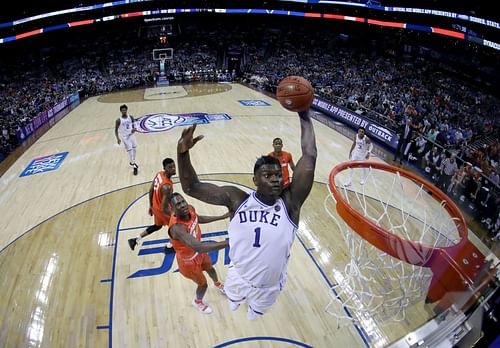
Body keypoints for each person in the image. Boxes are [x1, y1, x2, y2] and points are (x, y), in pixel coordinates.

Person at [176, 110, 317, 320]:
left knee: (255, 314)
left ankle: (253, 310)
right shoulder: (237, 199)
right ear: (255, 180)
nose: (275, 179)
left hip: (270, 287)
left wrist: (304, 115)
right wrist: (182, 154)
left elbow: (309, 156)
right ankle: (235, 301)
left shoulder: (290, 203)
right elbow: (192, 187)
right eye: (267, 175)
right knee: (234, 303)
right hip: (238, 277)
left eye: (278, 175)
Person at [168, 192, 229, 314]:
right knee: (203, 284)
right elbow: (199, 247)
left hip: (199, 254)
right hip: (188, 262)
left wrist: (221, 217)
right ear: (173, 209)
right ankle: (197, 302)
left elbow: (198, 219)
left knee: (210, 268)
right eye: (178, 204)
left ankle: (218, 284)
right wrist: (228, 243)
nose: (183, 205)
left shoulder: (190, 209)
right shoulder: (177, 228)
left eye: (183, 201)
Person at [128, 158, 176, 253]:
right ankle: (170, 246)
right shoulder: (167, 186)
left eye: (174, 166)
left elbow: (151, 190)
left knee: (157, 226)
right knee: (175, 225)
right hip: (162, 210)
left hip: (155, 206)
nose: (173, 169)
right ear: (165, 168)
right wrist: (175, 215)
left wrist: (151, 206)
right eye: (170, 167)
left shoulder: (159, 174)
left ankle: (135, 239)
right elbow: (164, 207)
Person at [115, 104, 139, 175]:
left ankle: (132, 162)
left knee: (135, 149)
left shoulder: (130, 117)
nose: (124, 111)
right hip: (125, 137)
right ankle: (134, 166)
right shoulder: (118, 120)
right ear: (120, 111)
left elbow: (135, 124)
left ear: (126, 110)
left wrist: (135, 128)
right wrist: (118, 138)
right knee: (130, 152)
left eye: (125, 110)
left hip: (132, 135)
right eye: (122, 110)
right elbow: (116, 130)